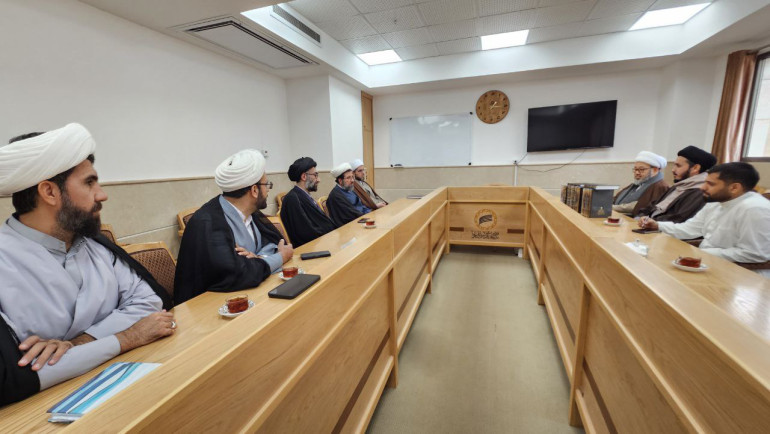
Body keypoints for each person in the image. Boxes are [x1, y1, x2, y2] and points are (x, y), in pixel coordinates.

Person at [0, 123, 174, 406]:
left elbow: (148, 302)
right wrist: (126, 338)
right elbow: (15, 375)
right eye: (89, 183)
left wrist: (80, 343)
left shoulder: (96, 245)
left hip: (131, 386)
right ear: (50, 192)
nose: (101, 194)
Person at [174, 150, 293, 304]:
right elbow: (235, 273)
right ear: (254, 190)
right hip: (214, 306)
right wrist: (280, 258)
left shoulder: (252, 214)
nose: (269, 189)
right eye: (266, 184)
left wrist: (258, 258)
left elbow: (274, 244)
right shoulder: (207, 222)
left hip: (257, 294)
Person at [639, 162, 770, 273]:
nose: (702, 187)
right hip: (708, 264)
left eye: (711, 184)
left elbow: (754, 254)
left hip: (744, 277)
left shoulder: (754, 209)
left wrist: (700, 254)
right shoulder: (716, 202)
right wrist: (657, 225)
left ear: (734, 187)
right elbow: (690, 228)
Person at [635, 146, 717, 222]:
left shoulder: (700, 192)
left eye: (678, 166)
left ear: (695, 168)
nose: (673, 170)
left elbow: (678, 219)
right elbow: (652, 206)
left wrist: (650, 222)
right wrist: (639, 217)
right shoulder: (678, 186)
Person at [280, 157, 337, 247]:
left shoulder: (304, 195)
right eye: (315, 175)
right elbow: (306, 233)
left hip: (325, 241)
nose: (318, 180)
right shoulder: (292, 199)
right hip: (312, 248)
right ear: (304, 176)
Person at [612, 151, 668, 215]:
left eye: (641, 169)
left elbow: (638, 206)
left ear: (655, 170)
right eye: (635, 169)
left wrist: (611, 208)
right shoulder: (638, 183)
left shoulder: (660, 186)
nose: (637, 173)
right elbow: (616, 198)